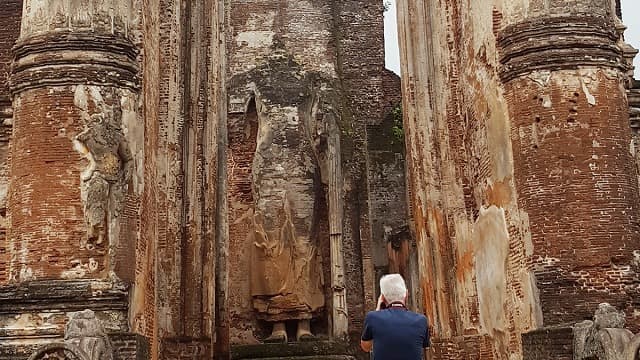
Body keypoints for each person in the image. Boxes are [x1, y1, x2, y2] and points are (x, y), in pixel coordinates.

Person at [361, 274, 430, 359]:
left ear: (383, 298)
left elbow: (366, 347)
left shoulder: (372, 317)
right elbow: (423, 347)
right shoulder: (421, 320)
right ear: (406, 294)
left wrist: (377, 310)